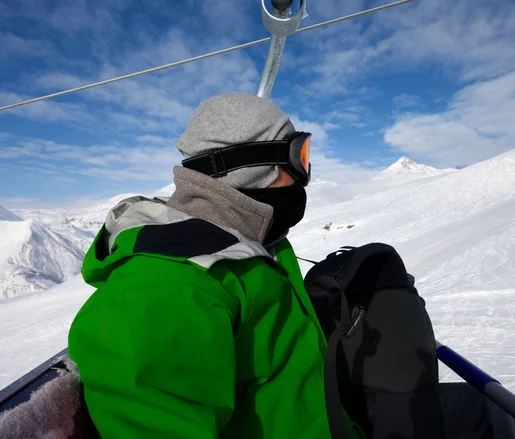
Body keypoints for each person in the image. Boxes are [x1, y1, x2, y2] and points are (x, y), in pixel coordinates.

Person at [68, 92, 356, 438]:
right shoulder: (167, 287)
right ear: (251, 170)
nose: (303, 177)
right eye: (299, 157)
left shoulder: (252, 243)